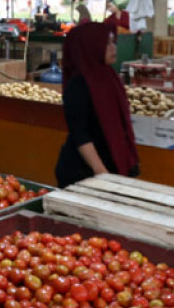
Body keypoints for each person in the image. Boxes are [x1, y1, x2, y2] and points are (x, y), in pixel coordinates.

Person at [55, 23, 139, 188]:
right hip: (84, 172)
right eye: (107, 43)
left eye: (113, 42)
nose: (113, 47)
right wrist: (101, 172)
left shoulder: (110, 77)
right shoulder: (79, 85)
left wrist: (129, 163)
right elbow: (80, 134)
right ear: (90, 47)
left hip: (111, 167)